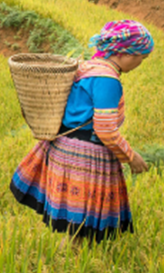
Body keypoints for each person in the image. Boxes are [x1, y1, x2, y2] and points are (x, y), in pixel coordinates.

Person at [9, 20, 153, 243]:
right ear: (125, 53)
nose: (141, 63)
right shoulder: (107, 80)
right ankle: (74, 266)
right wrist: (131, 157)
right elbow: (105, 129)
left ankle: (72, 263)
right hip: (85, 155)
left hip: (63, 147)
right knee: (82, 227)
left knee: (74, 225)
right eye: (141, 57)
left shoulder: (86, 67)